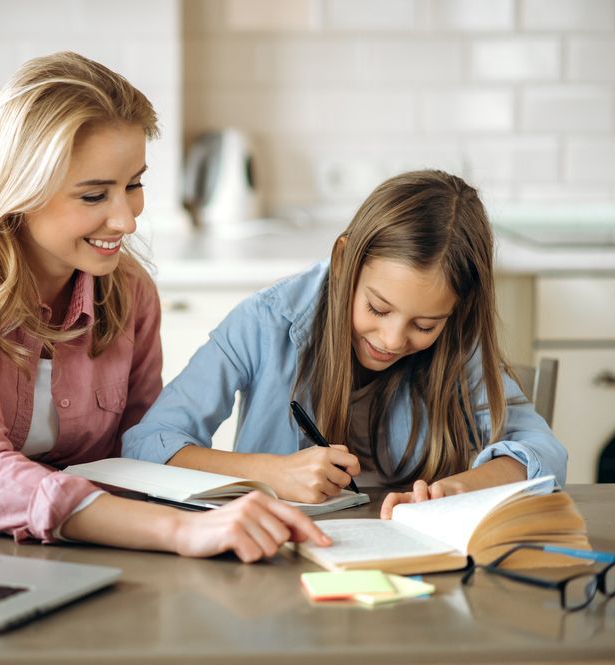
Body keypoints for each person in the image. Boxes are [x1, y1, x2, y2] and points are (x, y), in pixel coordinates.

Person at [0, 51, 328, 562]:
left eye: (134, 184)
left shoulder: (128, 290)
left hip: (81, 554)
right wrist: (178, 531)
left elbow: (138, 458)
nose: (127, 220)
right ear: (19, 191)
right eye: (94, 196)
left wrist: (247, 495)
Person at [122, 170, 568, 518]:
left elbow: (544, 451)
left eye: (425, 325)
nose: (393, 340)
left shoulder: (458, 343)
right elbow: (147, 444)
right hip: (278, 564)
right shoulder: (267, 322)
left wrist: (463, 487)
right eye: (377, 309)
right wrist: (272, 473)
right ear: (343, 260)